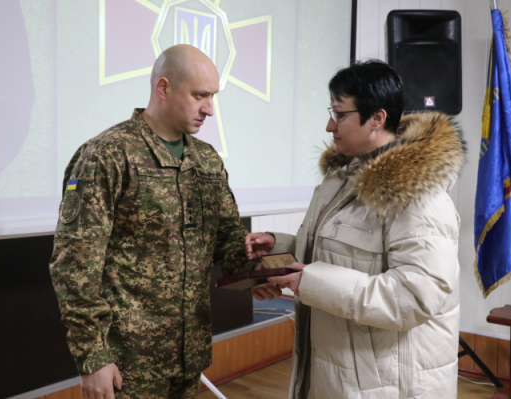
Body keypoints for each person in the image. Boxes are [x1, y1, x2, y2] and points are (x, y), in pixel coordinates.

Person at [247, 60, 465, 398]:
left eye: (339, 115)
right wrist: (278, 246)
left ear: (377, 118)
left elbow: (415, 297)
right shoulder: (340, 178)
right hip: (342, 374)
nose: (329, 126)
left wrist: (310, 282)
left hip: (389, 386)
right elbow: (339, 252)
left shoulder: (418, 193)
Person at [50, 44, 255, 399]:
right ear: (163, 89)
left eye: (212, 97)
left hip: (188, 359)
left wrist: (255, 263)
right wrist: (93, 357)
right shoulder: (108, 155)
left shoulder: (206, 160)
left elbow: (226, 239)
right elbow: (75, 266)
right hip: (127, 365)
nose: (209, 108)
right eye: (200, 95)